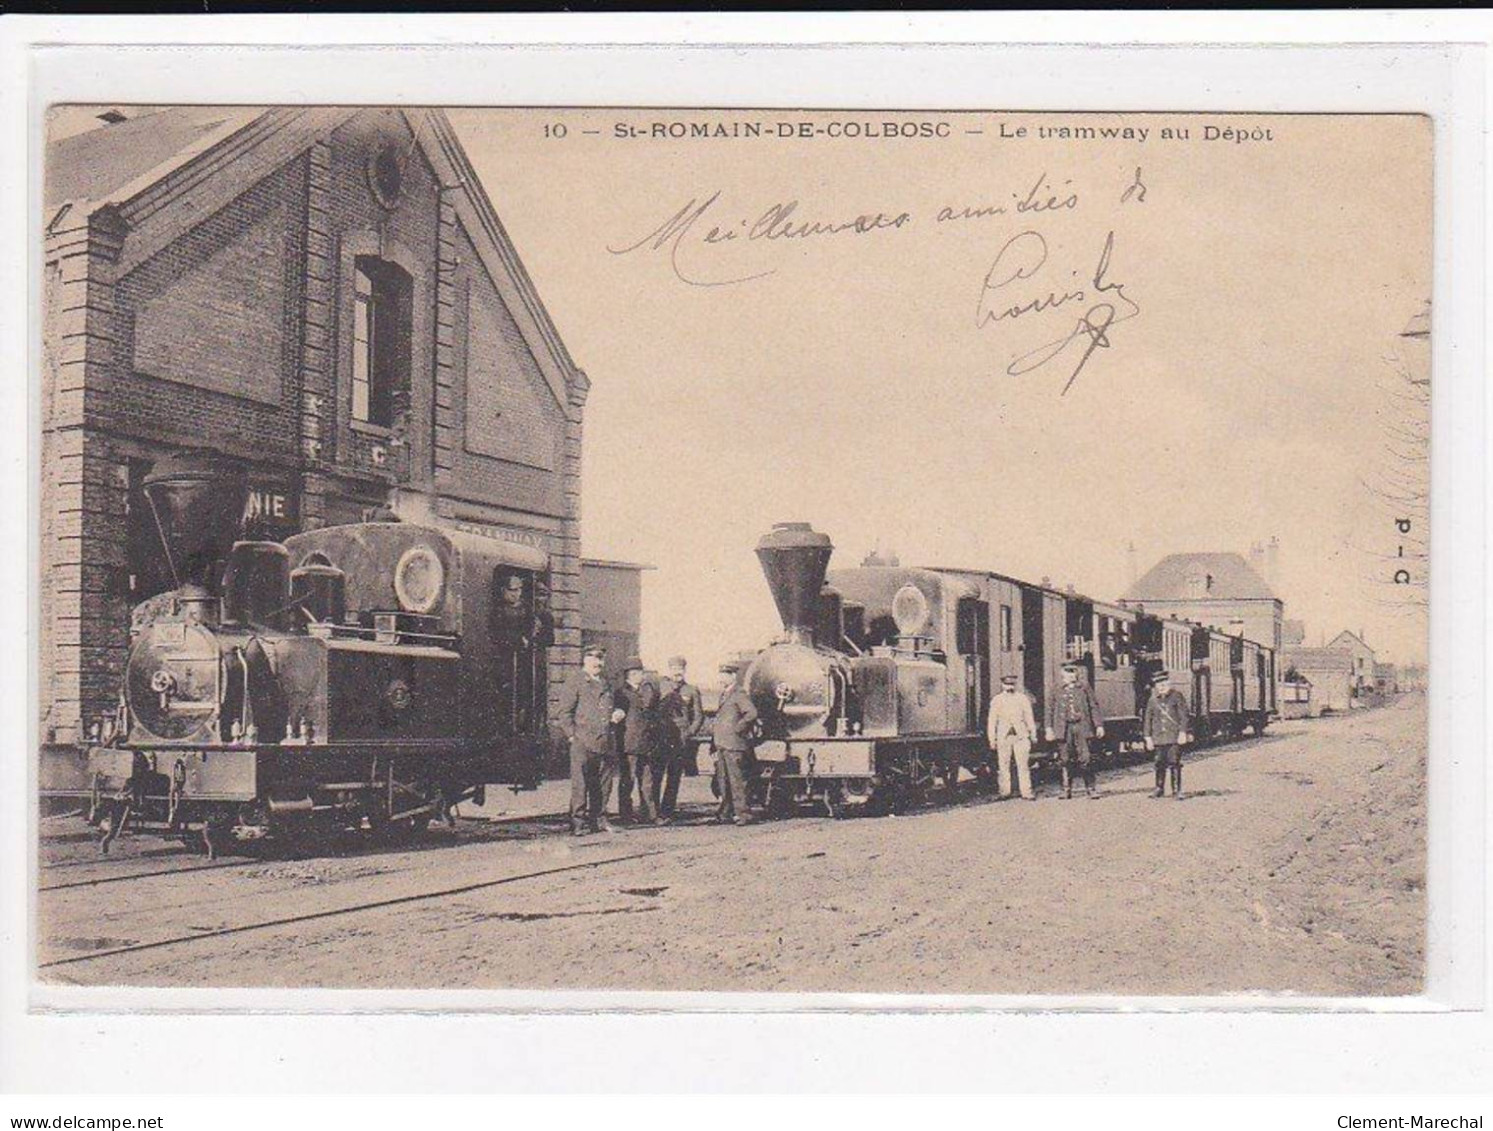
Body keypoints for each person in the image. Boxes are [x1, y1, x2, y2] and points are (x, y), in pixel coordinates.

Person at [556, 645, 625, 835]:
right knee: (581, 784)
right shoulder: (575, 681)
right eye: (593, 658)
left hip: (605, 740)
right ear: (585, 660)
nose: (597, 662)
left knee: (603, 784)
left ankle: (600, 820)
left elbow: (613, 707)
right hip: (583, 741)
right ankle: (577, 822)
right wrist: (572, 736)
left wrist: (618, 712)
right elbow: (564, 713)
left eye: (600, 658)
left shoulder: (607, 682)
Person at [1045, 661, 1105, 799]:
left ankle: (1091, 789)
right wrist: (1049, 729)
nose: (1071, 675)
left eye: (1073, 672)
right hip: (1064, 728)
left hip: (1082, 727)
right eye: (1068, 672)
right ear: (1062, 674)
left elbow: (1093, 706)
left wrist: (1099, 725)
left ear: (1077, 673)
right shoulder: (1056, 689)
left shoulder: (1084, 688)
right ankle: (1066, 790)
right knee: (1065, 759)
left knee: (1086, 758)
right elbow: (1049, 710)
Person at [656, 656, 705, 818]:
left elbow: (698, 716)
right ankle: (652, 810)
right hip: (662, 738)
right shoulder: (661, 687)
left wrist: (689, 732)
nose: (678, 672)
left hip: (680, 740)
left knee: (674, 776)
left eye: (681, 669)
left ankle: (667, 810)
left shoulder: (691, 690)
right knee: (656, 775)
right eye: (674, 669)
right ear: (669, 670)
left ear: (685, 671)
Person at [711, 663, 759, 825]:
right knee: (724, 781)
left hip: (734, 745)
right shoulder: (725, 694)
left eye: (725, 675)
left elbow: (751, 713)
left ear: (732, 677)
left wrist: (738, 729)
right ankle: (726, 812)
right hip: (723, 744)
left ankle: (743, 814)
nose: (721, 678)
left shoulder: (738, 693)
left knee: (737, 780)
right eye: (720, 675)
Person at [616, 657, 662, 824]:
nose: (640, 676)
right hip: (629, 744)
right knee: (628, 781)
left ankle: (650, 814)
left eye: (640, 672)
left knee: (647, 782)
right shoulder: (621, 694)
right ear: (629, 675)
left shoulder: (646, 691)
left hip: (646, 744)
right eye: (636, 673)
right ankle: (626, 815)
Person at [986, 674, 1038, 800]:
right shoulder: (997, 700)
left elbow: (1029, 718)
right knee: (1003, 765)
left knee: (1023, 765)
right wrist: (992, 739)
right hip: (1004, 736)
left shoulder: (1022, 699)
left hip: (1020, 735)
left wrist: (1033, 734)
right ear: (1002, 685)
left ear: (1015, 685)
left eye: (1012, 684)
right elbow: (992, 721)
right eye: (1007, 684)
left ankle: (1026, 792)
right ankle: (1004, 791)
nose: (1009, 686)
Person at [1143, 669, 1191, 799]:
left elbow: (1184, 716)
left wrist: (1182, 732)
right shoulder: (1153, 700)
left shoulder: (1177, 696)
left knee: (1174, 762)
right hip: (1158, 737)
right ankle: (1159, 788)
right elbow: (1148, 719)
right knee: (1159, 762)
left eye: (1164, 684)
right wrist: (1147, 737)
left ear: (1169, 684)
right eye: (1159, 685)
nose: (1162, 687)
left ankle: (1176, 790)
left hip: (1173, 736)